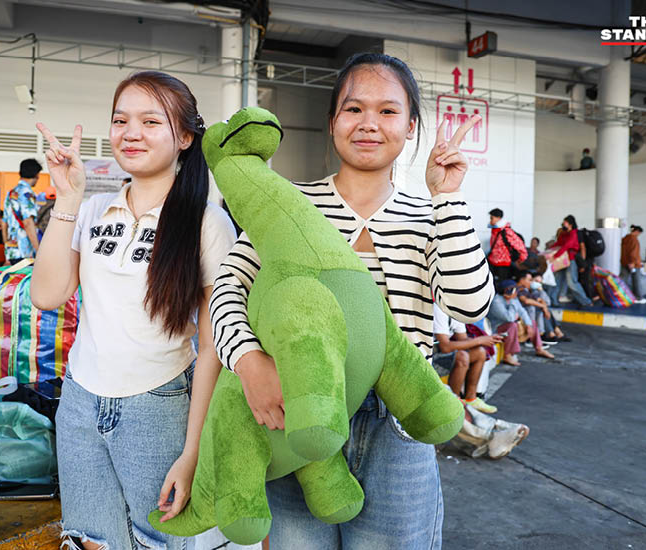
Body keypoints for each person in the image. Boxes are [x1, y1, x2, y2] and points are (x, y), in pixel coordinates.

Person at [210, 53, 493, 550]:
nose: (368, 124)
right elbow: (228, 289)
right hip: (299, 407)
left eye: (387, 112)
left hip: (398, 424)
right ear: (332, 122)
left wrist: (446, 199)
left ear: (411, 128)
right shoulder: (288, 202)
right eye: (353, 109)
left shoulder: (430, 215)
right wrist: (249, 362)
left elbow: (470, 305)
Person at [29, 71, 236, 550]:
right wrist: (68, 198)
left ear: (185, 137)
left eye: (150, 121)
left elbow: (213, 349)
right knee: (90, 541)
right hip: (79, 402)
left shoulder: (207, 222)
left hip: (160, 405)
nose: (131, 132)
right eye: (120, 120)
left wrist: (192, 451)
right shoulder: (92, 209)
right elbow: (47, 294)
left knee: (160, 541)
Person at [433, 302, 502, 414]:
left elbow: (463, 339)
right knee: (462, 357)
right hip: (430, 356)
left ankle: (471, 398)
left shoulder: (455, 310)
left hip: (443, 353)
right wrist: (479, 340)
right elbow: (444, 346)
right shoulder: (439, 308)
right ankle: (453, 404)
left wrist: (486, 339)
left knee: (479, 352)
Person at [546, 215, 591, 307]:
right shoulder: (563, 233)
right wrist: (548, 252)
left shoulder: (573, 233)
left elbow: (566, 246)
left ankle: (586, 301)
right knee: (557, 280)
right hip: (562, 260)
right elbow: (558, 243)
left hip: (570, 260)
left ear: (570, 224)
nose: (563, 224)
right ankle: (553, 300)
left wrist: (555, 256)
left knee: (572, 283)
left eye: (565, 222)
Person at [3, 159, 42, 265]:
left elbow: (4, 223)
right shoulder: (27, 193)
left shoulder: (10, 193)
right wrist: (38, 250)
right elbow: (28, 222)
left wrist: (7, 248)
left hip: (12, 250)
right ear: (36, 174)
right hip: (25, 251)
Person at [486, 280, 531, 366]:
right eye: (514, 290)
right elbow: (510, 318)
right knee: (512, 325)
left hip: (505, 327)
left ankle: (539, 347)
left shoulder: (513, 299)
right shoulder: (497, 301)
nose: (516, 292)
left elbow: (522, 311)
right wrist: (512, 302)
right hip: (495, 328)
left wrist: (529, 324)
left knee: (531, 322)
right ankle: (507, 355)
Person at [514, 271, 555, 358]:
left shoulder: (527, 289)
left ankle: (539, 339)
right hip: (515, 315)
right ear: (522, 280)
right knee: (532, 309)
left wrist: (544, 307)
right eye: (529, 280)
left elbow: (539, 299)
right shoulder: (517, 288)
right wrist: (543, 306)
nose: (531, 282)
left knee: (539, 310)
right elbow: (526, 301)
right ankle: (538, 340)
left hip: (524, 315)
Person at [488, 207, 527, 281]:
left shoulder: (506, 231)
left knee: (502, 283)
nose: (490, 221)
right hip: (493, 261)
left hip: (503, 264)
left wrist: (521, 259)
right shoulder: (495, 230)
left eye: (492, 218)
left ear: (498, 218)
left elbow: (519, 245)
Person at [620, 225, 646, 303]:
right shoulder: (634, 239)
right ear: (637, 231)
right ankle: (638, 297)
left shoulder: (625, 238)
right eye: (639, 233)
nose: (639, 235)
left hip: (624, 262)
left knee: (622, 280)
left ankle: (620, 295)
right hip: (633, 264)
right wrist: (632, 262)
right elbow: (633, 252)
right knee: (636, 280)